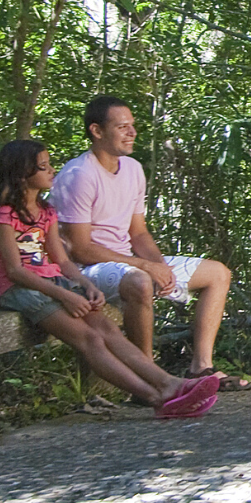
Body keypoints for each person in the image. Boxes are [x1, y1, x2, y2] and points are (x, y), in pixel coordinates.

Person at [0, 141, 218, 418]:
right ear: (21, 175)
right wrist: (65, 296)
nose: (52, 171)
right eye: (43, 167)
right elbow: (16, 271)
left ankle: (172, 384)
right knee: (90, 338)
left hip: (52, 281)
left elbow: (63, 261)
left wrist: (85, 285)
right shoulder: (6, 215)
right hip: (20, 288)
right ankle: (156, 397)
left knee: (109, 330)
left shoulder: (46, 212)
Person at [51, 96, 237, 386]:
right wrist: (144, 268)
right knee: (139, 280)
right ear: (97, 131)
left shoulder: (134, 169)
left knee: (218, 273)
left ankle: (201, 367)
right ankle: (149, 377)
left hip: (126, 261)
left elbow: (138, 233)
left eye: (133, 125)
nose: (132, 132)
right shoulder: (79, 175)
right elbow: (79, 248)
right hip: (86, 272)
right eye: (122, 126)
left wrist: (159, 266)